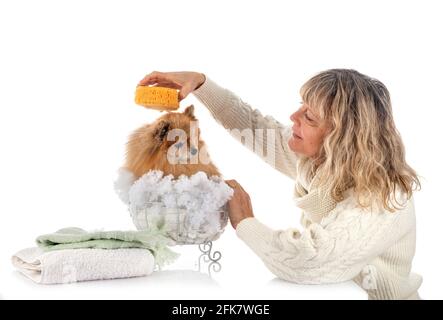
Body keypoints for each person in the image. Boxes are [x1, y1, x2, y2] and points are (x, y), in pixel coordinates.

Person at [138, 69, 422, 300]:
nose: (294, 118)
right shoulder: (318, 160)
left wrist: (246, 223)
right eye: (302, 106)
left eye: (309, 117)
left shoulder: (382, 197)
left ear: (341, 140)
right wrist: (201, 83)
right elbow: (253, 126)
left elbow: (313, 262)